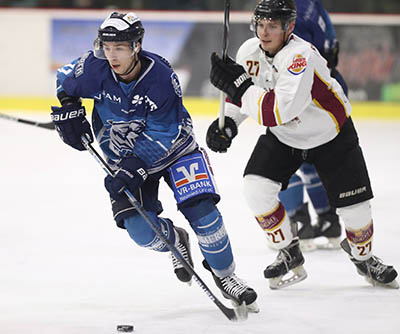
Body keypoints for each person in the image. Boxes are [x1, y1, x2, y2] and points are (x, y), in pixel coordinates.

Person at [50, 11, 258, 313]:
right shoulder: (93, 68)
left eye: (119, 48)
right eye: (107, 48)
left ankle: (226, 276)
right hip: (123, 159)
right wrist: (69, 108)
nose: (112, 56)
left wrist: (134, 167)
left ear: (137, 45)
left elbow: (165, 131)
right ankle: (176, 239)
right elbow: (64, 80)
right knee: (140, 231)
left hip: (176, 151)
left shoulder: (160, 76)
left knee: (204, 214)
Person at [206, 0, 398, 290]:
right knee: (256, 188)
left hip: (331, 135)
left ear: (289, 27)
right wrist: (229, 123)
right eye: (260, 24)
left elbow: (276, 110)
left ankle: (364, 258)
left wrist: (239, 87)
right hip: (285, 137)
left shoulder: (301, 57)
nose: (264, 32)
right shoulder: (249, 51)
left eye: (273, 26)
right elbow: (245, 96)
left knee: (356, 210)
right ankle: (288, 250)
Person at [278, 0, 347, 252]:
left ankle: (298, 221)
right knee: (311, 162)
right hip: (328, 88)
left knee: (282, 160)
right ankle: (328, 219)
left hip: (303, 94)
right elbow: (329, 52)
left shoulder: (290, 11)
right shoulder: (314, 6)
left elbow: (290, 58)